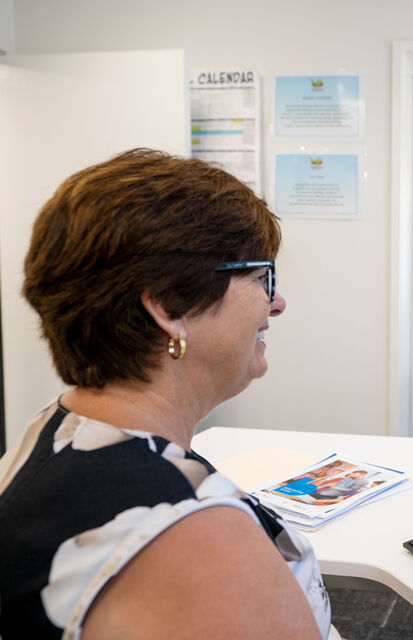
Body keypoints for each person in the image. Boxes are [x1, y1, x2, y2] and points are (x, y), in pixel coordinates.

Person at [0, 149, 332, 639]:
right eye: (261, 278)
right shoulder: (194, 539)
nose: (276, 302)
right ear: (169, 307)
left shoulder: (56, 430)